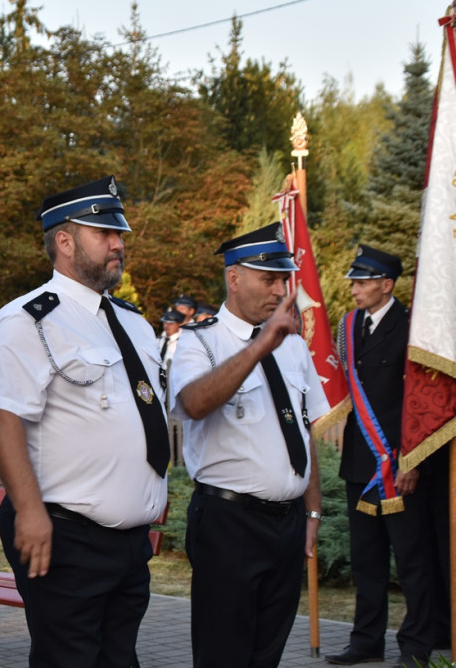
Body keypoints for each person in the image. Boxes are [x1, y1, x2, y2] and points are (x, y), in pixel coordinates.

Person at [0, 175, 169, 667]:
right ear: (64, 242)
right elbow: (2, 419)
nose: (118, 244)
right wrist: (29, 511)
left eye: (119, 234)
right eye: (103, 234)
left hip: (129, 546)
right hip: (65, 537)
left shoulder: (134, 323)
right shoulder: (28, 319)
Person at [169, 222, 328, 667]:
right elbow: (194, 403)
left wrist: (312, 512)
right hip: (229, 522)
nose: (280, 290)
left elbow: (304, 431)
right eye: (269, 279)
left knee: (267, 654)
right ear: (234, 278)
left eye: (283, 279)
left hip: (288, 524)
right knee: (224, 654)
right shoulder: (201, 341)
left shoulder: (293, 346)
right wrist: (260, 346)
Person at [326, 245, 435, 668]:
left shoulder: (413, 328)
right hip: (360, 462)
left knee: (411, 560)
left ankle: (417, 644)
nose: (353, 289)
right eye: (354, 281)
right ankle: (365, 641)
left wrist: (413, 459)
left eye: (362, 282)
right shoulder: (350, 326)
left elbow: (421, 401)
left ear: (386, 285)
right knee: (366, 559)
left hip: (401, 462)